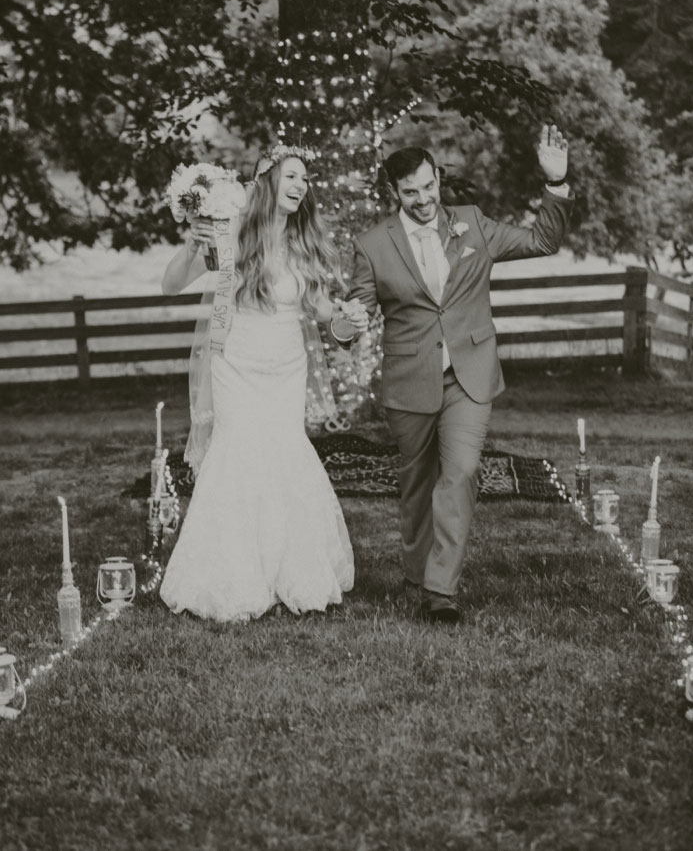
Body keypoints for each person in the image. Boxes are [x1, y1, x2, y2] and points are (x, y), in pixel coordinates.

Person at [332, 125, 573, 623]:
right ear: (394, 193)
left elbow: (544, 241)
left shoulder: (474, 224)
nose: (422, 200)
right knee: (417, 483)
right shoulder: (373, 244)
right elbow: (353, 317)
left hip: (471, 376)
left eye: (428, 186)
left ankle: (440, 591)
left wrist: (555, 183)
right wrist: (342, 326)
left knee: (461, 472)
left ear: (438, 178)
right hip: (409, 379)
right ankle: (418, 570)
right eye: (410, 192)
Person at [160, 145, 368, 622]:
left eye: (305, 178)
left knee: (283, 454)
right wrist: (191, 245)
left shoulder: (305, 244)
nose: (300, 185)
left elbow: (325, 320)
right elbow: (171, 285)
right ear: (266, 179)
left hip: (286, 369)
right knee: (239, 454)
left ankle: (290, 571)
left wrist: (349, 321)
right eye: (292, 175)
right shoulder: (230, 233)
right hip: (236, 365)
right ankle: (231, 575)